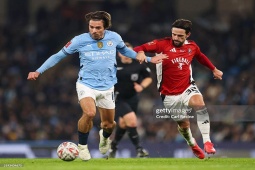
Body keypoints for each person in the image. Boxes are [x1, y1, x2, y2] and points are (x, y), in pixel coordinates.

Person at [27, 11, 166, 161]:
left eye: (98, 27)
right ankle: (82, 146)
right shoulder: (79, 40)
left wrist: (150, 59)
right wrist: (38, 71)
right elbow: (58, 56)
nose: (93, 30)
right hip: (86, 84)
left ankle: (104, 137)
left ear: (105, 27)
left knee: (109, 124)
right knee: (90, 113)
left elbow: (126, 51)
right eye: (91, 27)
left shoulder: (115, 37)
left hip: (107, 87)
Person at [133, 19, 223, 159]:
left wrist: (214, 69)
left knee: (200, 104)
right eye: (174, 34)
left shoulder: (192, 47)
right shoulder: (161, 44)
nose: (176, 38)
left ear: (187, 35)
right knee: (184, 123)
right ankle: (192, 143)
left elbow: (200, 57)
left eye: (180, 36)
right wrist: (140, 53)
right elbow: (137, 48)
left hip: (188, 87)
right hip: (169, 95)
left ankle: (207, 141)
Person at [108, 42, 151, 158]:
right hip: (117, 98)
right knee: (132, 121)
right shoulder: (113, 64)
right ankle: (139, 149)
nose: (126, 54)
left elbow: (148, 78)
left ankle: (113, 147)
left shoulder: (139, 64)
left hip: (132, 98)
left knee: (123, 123)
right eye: (123, 52)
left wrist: (141, 86)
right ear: (119, 54)